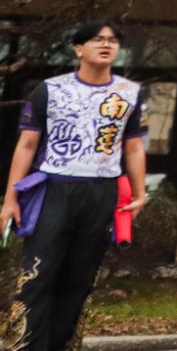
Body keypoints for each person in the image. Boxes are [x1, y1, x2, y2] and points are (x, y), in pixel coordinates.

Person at [2, 20, 148, 351]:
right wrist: (10, 199)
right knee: (37, 276)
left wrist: (140, 194)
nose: (106, 44)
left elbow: (134, 147)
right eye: (97, 39)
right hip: (55, 187)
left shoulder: (129, 93)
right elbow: (26, 145)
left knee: (79, 281)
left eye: (113, 40)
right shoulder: (49, 90)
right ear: (78, 49)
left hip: (102, 192)